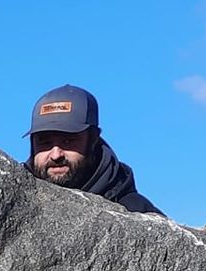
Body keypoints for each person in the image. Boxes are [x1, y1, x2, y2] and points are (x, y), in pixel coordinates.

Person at [25, 85, 162, 216]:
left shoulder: (136, 213)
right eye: (45, 142)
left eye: (68, 141)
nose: (56, 155)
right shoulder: (17, 201)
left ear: (93, 140)